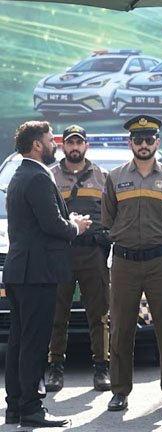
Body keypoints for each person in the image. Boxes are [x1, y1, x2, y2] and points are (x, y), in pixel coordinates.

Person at [4, 121, 92, 428]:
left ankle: (16, 406)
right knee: (34, 342)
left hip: (22, 271)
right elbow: (52, 225)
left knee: (20, 341)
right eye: (50, 139)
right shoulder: (38, 176)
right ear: (37, 145)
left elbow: (41, 220)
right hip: (36, 273)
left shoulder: (21, 174)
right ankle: (31, 408)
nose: (55, 144)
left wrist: (67, 220)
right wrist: (76, 227)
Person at [101, 115, 162, 413]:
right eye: (138, 140)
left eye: (149, 139)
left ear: (157, 142)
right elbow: (107, 218)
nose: (143, 145)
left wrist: (158, 241)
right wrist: (124, 238)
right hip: (124, 263)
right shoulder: (115, 178)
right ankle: (119, 391)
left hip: (159, 262)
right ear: (130, 144)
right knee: (121, 329)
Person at [44, 125, 111, 393]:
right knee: (57, 313)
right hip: (60, 253)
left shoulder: (102, 177)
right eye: (70, 143)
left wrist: (105, 237)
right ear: (63, 146)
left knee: (99, 314)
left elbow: (113, 214)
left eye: (78, 142)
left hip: (92, 253)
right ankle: (55, 368)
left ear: (86, 146)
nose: (74, 147)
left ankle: (102, 367)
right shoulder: (49, 176)